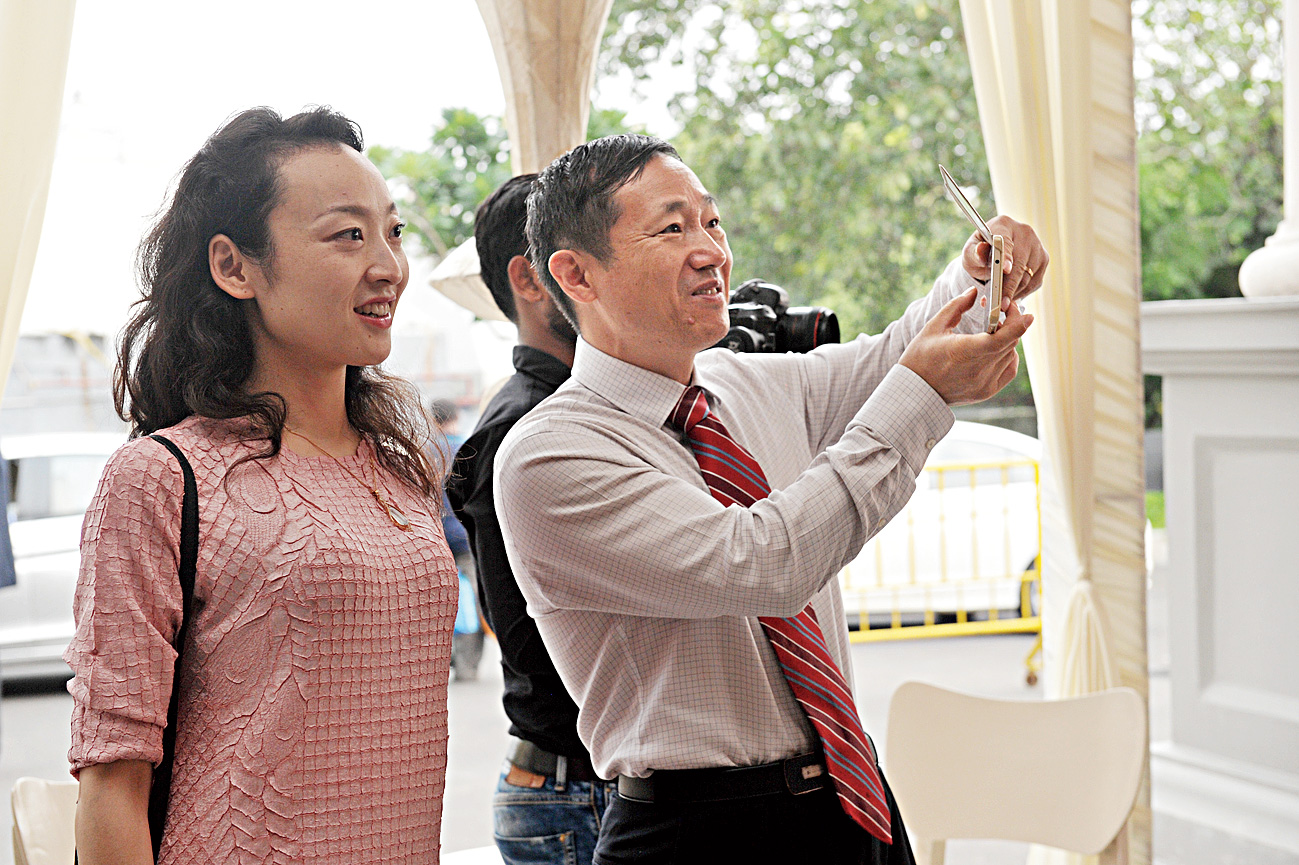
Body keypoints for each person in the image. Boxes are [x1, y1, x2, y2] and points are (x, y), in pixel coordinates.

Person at [494, 134, 1047, 865]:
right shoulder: (549, 453)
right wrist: (924, 390)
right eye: (671, 228)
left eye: (712, 222)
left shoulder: (742, 385)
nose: (711, 251)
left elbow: (892, 359)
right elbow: (761, 562)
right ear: (575, 273)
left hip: (852, 796)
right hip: (702, 832)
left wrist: (978, 277)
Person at [66, 107, 458, 864]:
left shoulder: (400, 465)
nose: (388, 265)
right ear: (233, 266)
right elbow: (113, 778)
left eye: (393, 231)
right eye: (348, 234)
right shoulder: (161, 477)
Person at [446, 175, 612, 865]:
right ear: (532, 277)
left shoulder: (586, 402)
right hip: (580, 792)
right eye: (590, 252)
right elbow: (542, 638)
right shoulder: (524, 428)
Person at [431, 397, 484, 681]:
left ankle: (443, 659)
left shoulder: (422, 452)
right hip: (467, 538)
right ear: (454, 417)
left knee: (438, 603)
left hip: (433, 540)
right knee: (475, 600)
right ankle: (468, 666)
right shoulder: (469, 448)